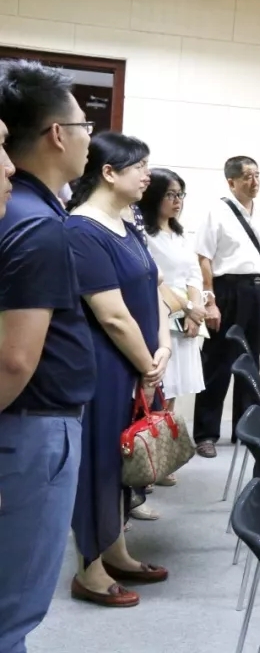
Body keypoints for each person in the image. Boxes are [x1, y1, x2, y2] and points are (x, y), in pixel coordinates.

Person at [0, 60, 96, 652]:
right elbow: (14, 360)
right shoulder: (36, 224)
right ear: (58, 134)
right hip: (31, 429)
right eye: (84, 125)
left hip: (26, 424)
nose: (89, 138)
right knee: (12, 608)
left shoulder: (23, 210)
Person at [65, 132, 171, 607]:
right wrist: (148, 364)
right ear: (109, 172)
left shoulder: (126, 224)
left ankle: (116, 550)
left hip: (138, 363)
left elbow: (153, 287)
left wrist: (163, 346)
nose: (148, 175)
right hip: (106, 366)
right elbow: (111, 316)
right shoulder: (81, 230)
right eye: (139, 166)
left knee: (123, 461)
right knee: (100, 461)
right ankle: (89, 571)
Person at [193, 156, 260, 458]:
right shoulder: (217, 212)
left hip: (256, 290)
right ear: (231, 182)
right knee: (217, 362)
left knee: (250, 362)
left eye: (257, 175)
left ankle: (244, 428)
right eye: (247, 177)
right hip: (227, 290)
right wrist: (209, 301)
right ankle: (205, 433)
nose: (254, 182)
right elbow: (204, 258)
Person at [138, 167, 207, 410]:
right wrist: (187, 308)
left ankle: (167, 432)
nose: (177, 201)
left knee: (175, 390)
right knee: (160, 388)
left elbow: (193, 274)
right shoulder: (144, 235)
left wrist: (195, 310)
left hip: (187, 319)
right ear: (154, 196)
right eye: (170, 195)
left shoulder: (180, 233)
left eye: (180, 194)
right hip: (162, 316)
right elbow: (154, 279)